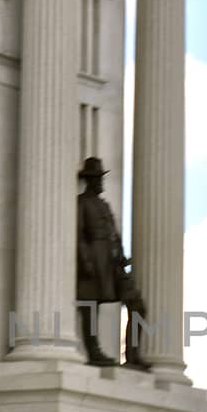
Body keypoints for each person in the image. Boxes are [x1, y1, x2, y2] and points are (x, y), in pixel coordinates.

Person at [76, 156, 148, 369]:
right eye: (97, 178)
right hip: (95, 261)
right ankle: (94, 351)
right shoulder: (82, 202)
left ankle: (133, 355)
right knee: (90, 306)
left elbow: (113, 234)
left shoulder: (104, 205)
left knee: (137, 304)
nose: (101, 182)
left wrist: (122, 256)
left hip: (113, 263)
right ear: (89, 180)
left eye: (101, 178)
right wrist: (86, 260)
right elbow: (79, 234)